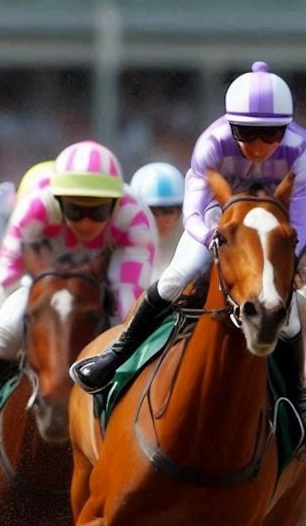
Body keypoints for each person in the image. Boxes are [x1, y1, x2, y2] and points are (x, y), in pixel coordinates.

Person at [72, 61, 306, 429]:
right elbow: (194, 212)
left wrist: (288, 258)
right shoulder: (211, 145)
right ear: (231, 125)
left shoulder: (299, 148)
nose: (259, 146)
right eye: (247, 133)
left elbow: (302, 215)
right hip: (217, 217)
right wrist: (217, 241)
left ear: (286, 129)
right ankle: (115, 356)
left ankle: (296, 400)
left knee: (288, 316)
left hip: (271, 223)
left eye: (271, 135)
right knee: (176, 277)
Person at [0, 140, 155, 468]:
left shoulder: (135, 217)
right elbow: (3, 278)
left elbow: (128, 300)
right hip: (45, 273)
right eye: (75, 209)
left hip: (103, 274)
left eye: (98, 211)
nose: (86, 222)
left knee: (123, 327)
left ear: (116, 204)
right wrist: (33, 325)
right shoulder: (36, 208)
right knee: (9, 321)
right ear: (57, 201)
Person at [129, 161, 184, 281]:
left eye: (171, 210)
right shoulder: (121, 240)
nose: (163, 219)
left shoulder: (192, 240)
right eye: (153, 210)